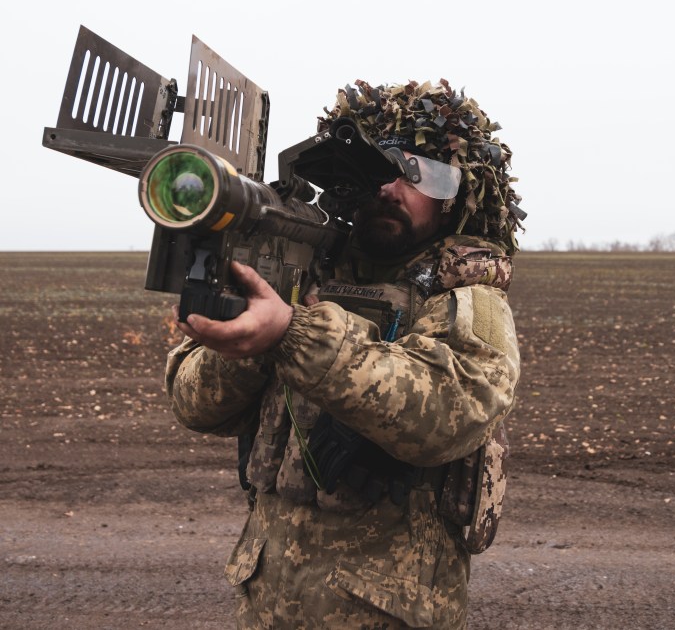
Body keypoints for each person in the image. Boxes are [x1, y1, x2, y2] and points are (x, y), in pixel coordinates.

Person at [166, 79, 525, 628]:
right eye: (379, 170)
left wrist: (292, 333)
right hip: (266, 608)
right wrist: (250, 343)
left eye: (419, 174)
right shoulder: (300, 273)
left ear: (457, 199)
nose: (391, 188)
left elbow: (449, 412)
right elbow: (192, 403)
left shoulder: (467, 299)